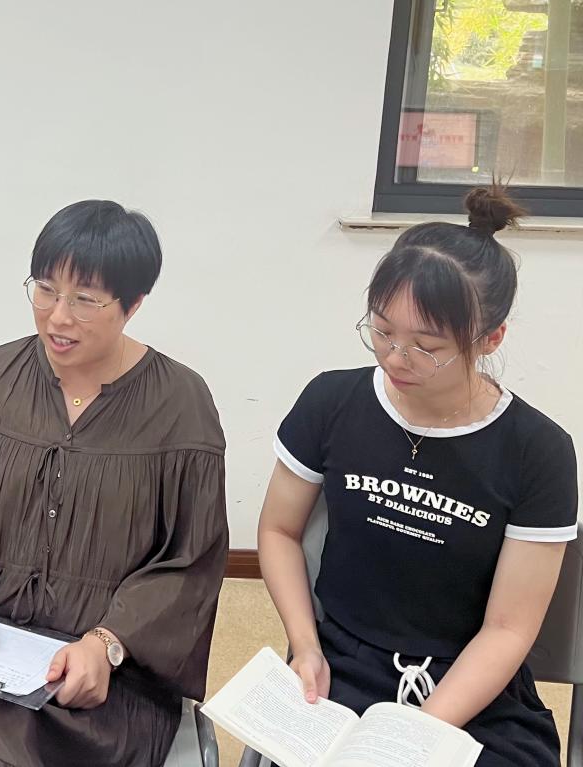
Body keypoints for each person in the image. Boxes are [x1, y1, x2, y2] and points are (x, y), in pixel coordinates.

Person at [0, 200, 228, 767]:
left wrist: (107, 644)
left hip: (100, 679)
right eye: (46, 290)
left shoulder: (182, 407)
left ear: (133, 304)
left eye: (85, 300)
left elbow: (189, 565)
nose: (58, 317)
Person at [258, 186, 576, 766]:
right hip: (342, 670)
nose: (395, 358)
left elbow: (508, 629)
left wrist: (411, 737)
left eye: (426, 346)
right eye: (382, 331)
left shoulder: (539, 451)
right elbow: (279, 531)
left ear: (491, 338)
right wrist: (305, 646)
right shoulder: (331, 402)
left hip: (470, 692)